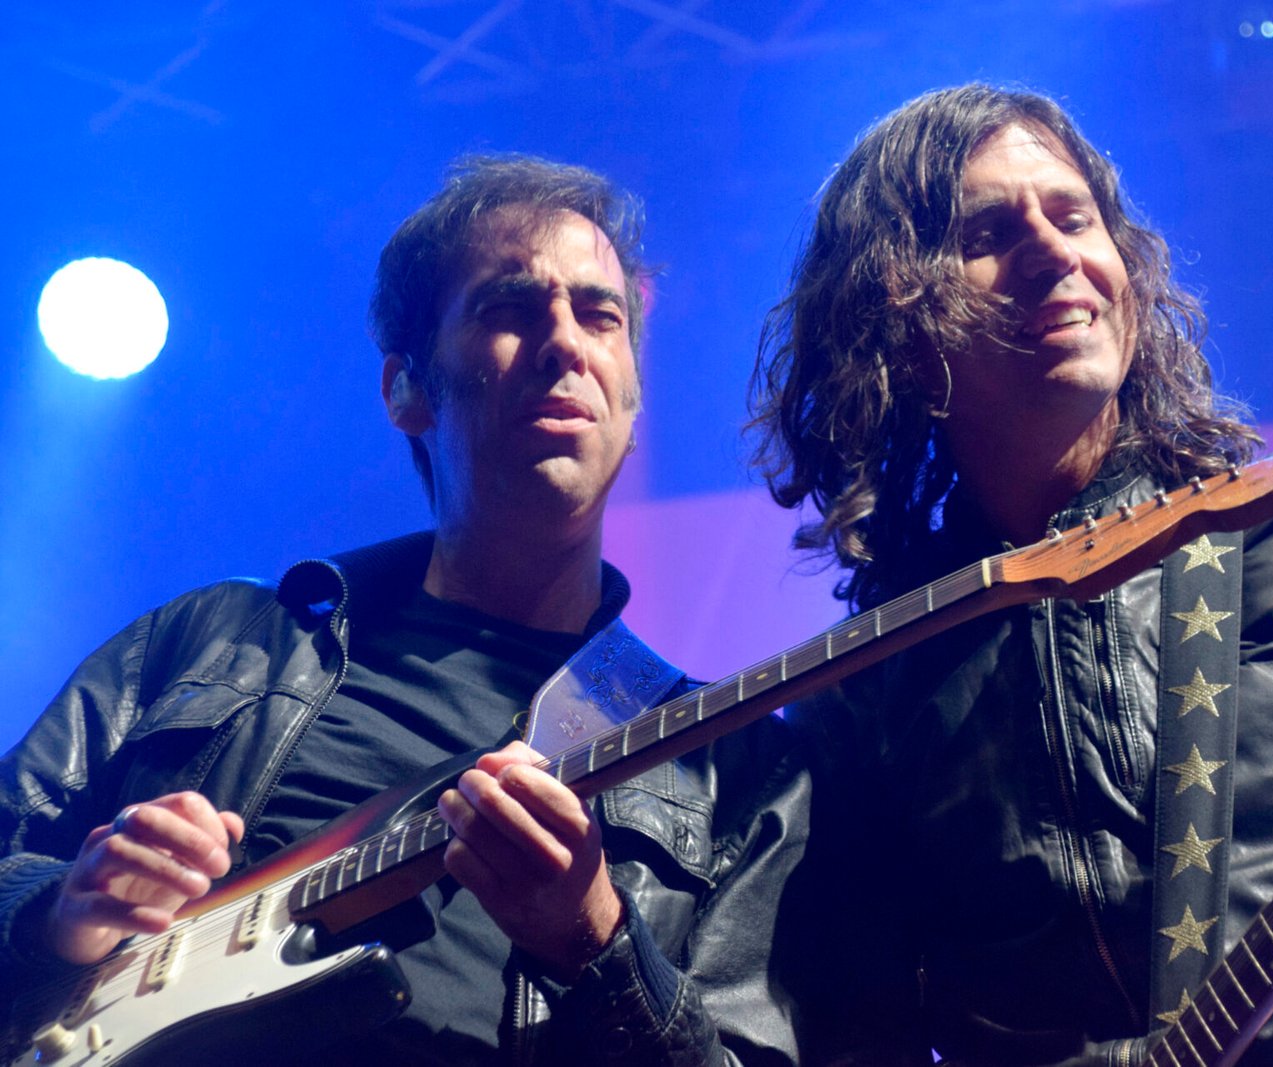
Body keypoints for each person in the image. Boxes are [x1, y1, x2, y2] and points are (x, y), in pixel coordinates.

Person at [750, 85, 1273, 1066]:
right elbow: (857, 1035)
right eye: (987, 234)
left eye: (1074, 217)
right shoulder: (869, 688)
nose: (1053, 251)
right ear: (896, 325)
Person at [0, 156, 807, 1065]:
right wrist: (56, 911)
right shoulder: (212, 639)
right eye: (509, 308)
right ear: (406, 389)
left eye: (600, 314)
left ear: (632, 393)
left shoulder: (735, 767)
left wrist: (597, 939)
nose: (564, 343)